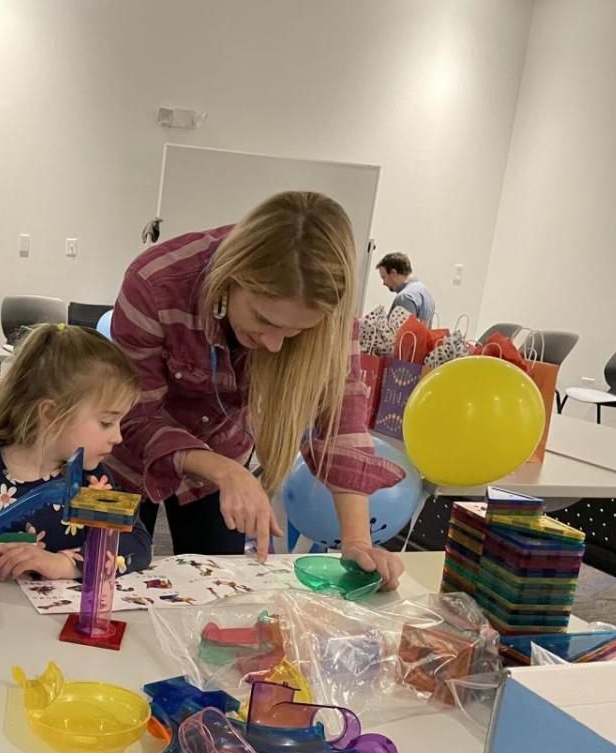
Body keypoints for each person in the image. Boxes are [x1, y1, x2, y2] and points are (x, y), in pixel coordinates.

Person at [108, 191, 406, 589]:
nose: (274, 344)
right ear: (232, 278)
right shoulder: (155, 283)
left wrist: (356, 542)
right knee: (108, 578)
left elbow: (341, 420)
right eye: (264, 320)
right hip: (126, 461)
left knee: (217, 592)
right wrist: (224, 469)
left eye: (295, 332)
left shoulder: (332, 318)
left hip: (222, 463)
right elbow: (135, 415)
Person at [0, 323, 153, 581]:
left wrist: (66, 564)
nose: (117, 437)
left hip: (58, 619)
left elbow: (138, 545)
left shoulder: (92, 484)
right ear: (51, 414)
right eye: (106, 422)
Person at [376, 252, 436, 324]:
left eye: (384, 277)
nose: (384, 283)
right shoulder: (425, 292)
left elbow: (402, 333)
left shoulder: (405, 297)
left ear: (393, 273)